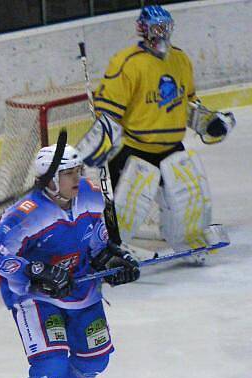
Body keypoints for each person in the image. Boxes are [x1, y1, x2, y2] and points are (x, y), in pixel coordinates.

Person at [0, 144, 140, 378]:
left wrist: (116, 260)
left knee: (96, 360)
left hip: (81, 289)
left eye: (77, 171)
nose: (77, 178)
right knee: (51, 365)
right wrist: (36, 271)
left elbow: (98, 242)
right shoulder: (25, 214)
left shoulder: (90, 195)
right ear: (51, 179)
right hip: (35, 297)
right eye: (69, 173)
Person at [83, 5, 235, 258]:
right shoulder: (127, 63)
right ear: (143, 29)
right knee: (128, 208)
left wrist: (209, 122)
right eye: (156, 27)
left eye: (165, 27)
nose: (161, 33)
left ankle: (186, 240)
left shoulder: (180, 59)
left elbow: (187, 104)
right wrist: (94, 151)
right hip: (134, 149)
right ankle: (112, 250)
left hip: (172, 147)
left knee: (188, 202)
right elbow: (108, 113)